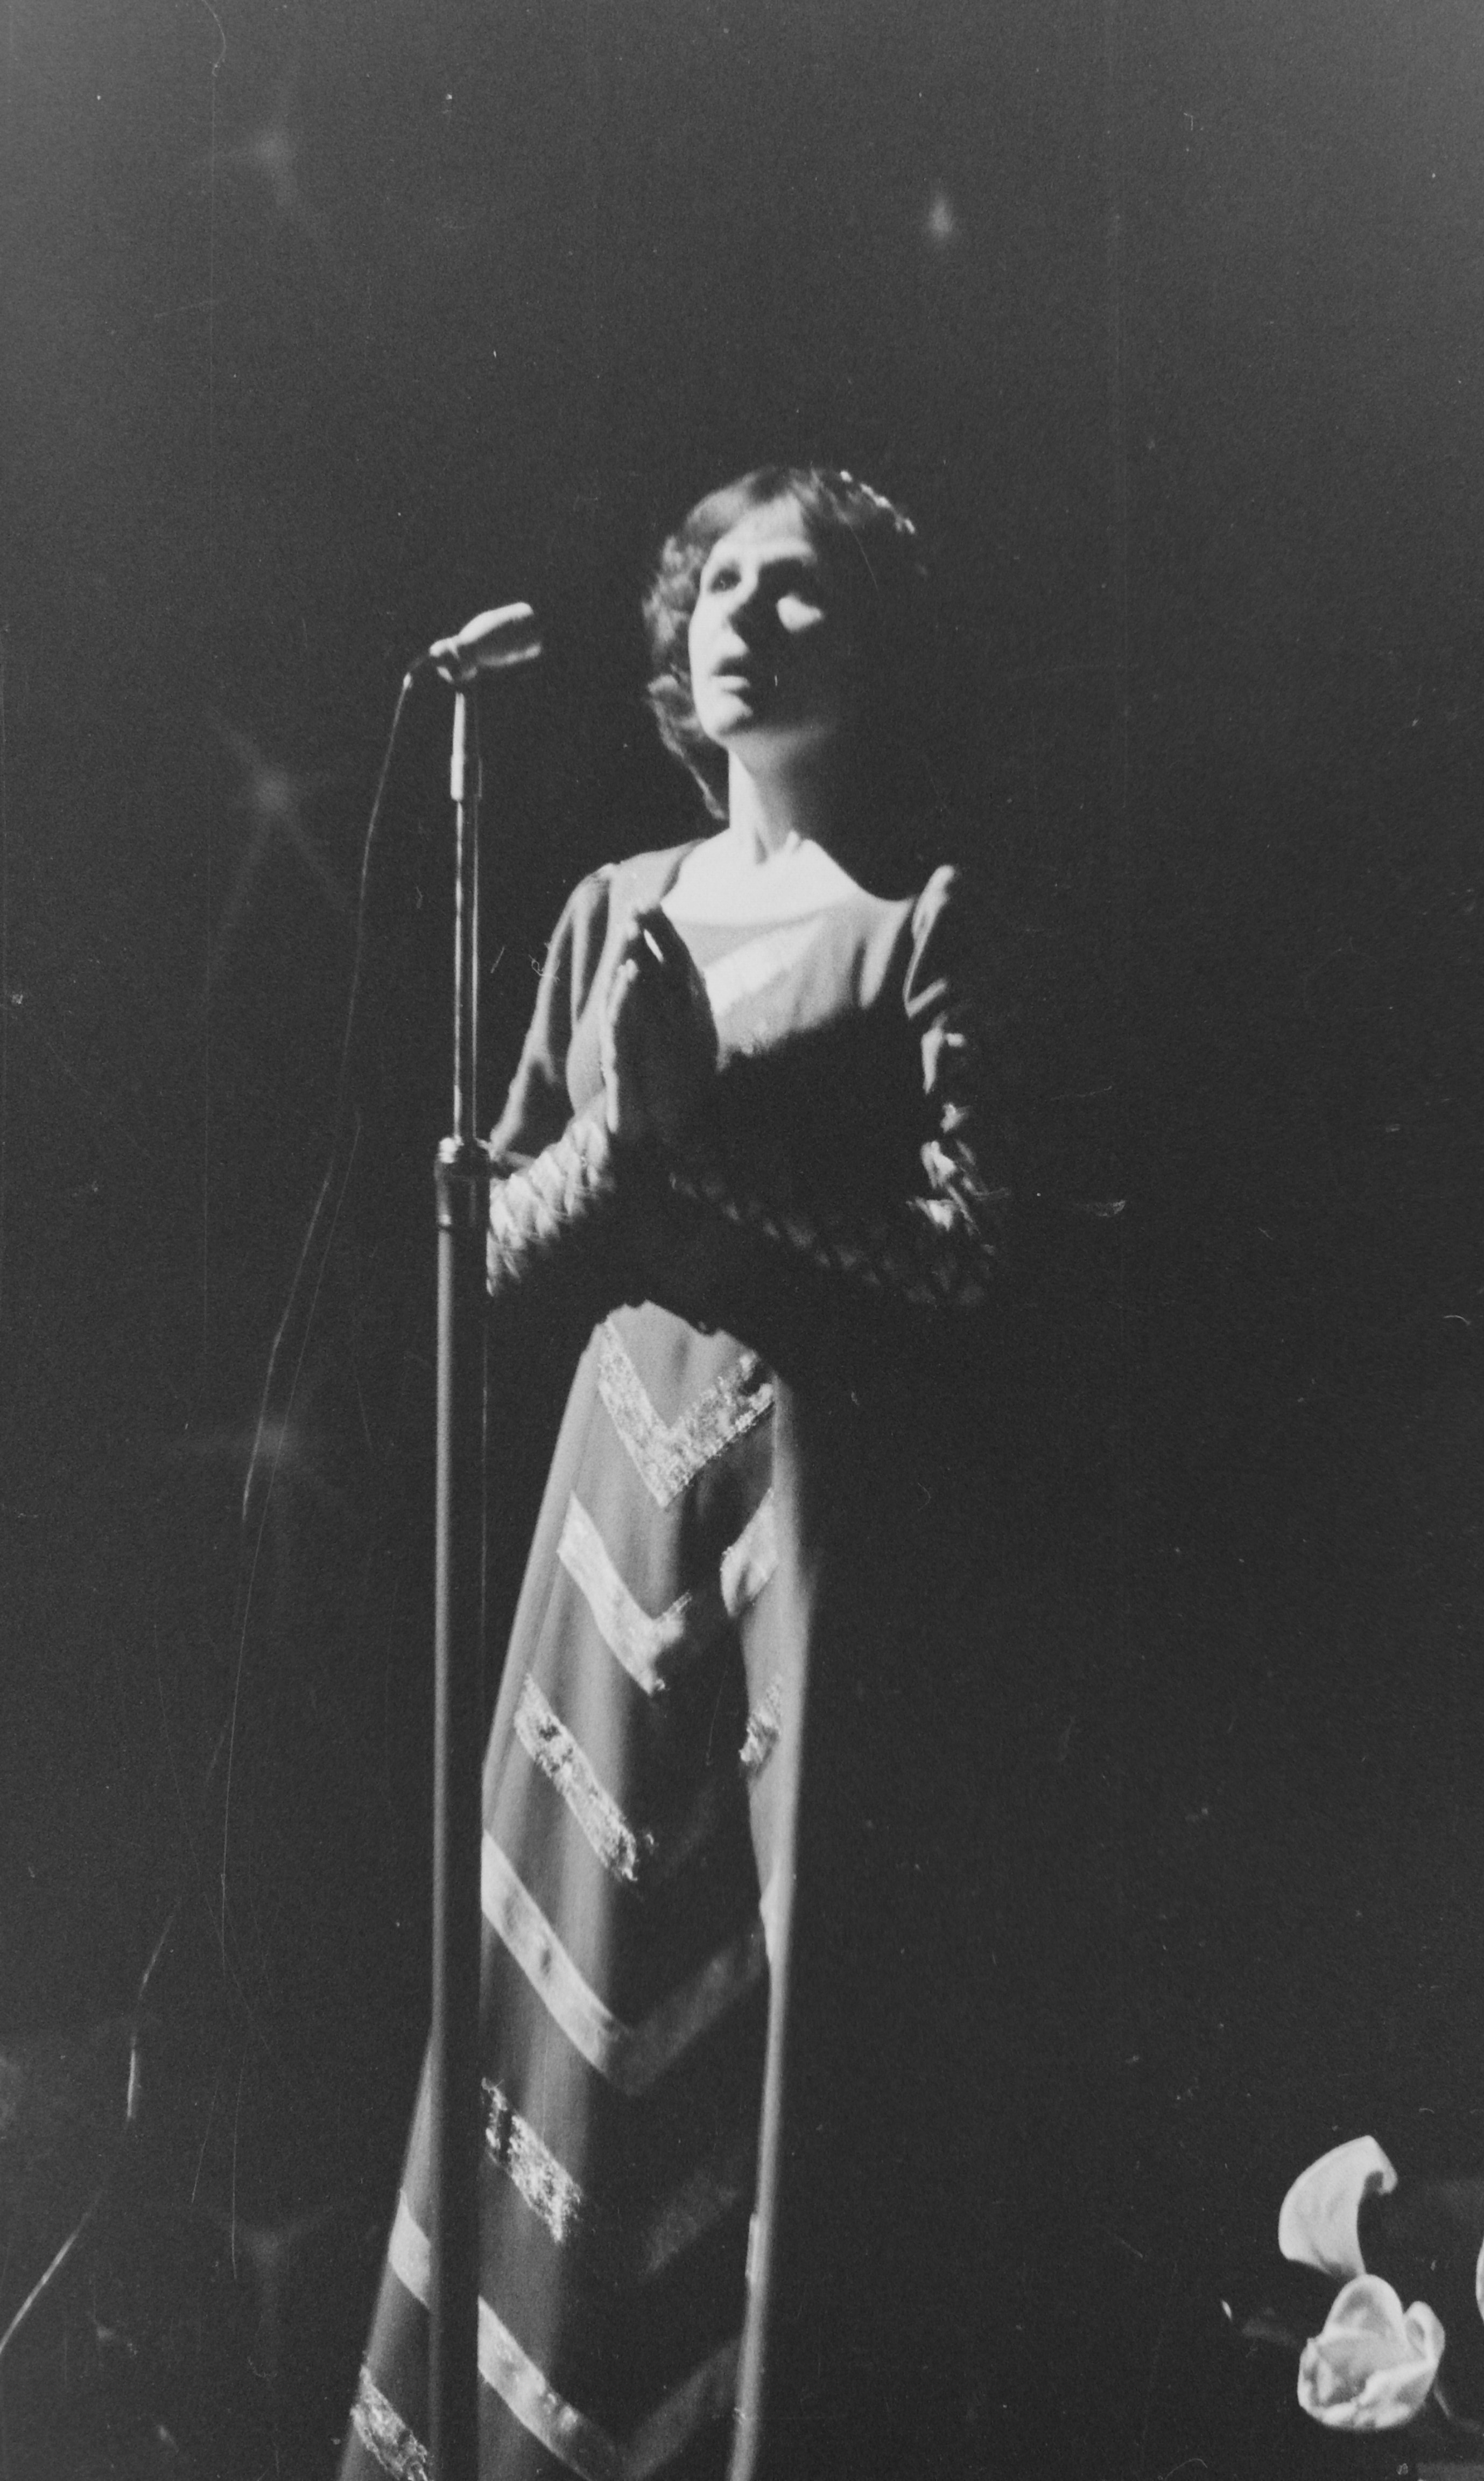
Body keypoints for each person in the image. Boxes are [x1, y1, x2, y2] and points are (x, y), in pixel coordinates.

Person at [341, 466, 1014, 2481]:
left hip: (812, 1528)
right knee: (573, 2002)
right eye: (720, 587)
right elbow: (496, 1252)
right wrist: (617, 1152)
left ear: (876, 648)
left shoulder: (919, 919)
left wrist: (707, 1160)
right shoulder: (608, 913)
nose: (745, 620)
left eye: (799, 593)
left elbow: (978, 1260)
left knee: (769, 2024)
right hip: (613, 1501)